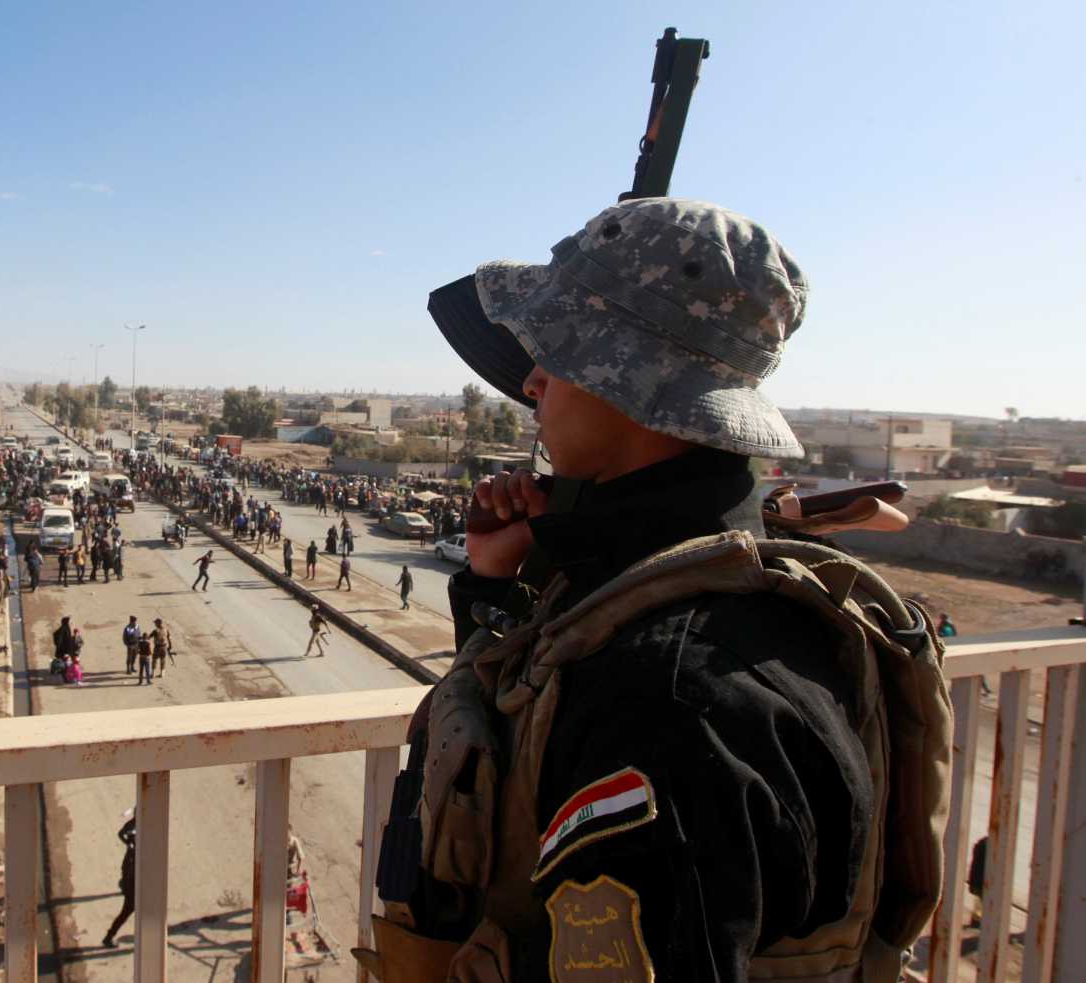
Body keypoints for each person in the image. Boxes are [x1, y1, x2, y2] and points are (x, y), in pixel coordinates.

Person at [355, 199, 949, 981]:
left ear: (632, 382)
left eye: (557, 352)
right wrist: (497, 586)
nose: (532, 380)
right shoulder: (674, 596)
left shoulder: (671, 688)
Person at [102, 814, 137, 948]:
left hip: (133, 886)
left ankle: (109, 937)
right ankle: (109, 937)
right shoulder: (134, 855)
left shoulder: (134, 852)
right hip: (134, 888)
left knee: (126, 913)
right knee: (129, 913)